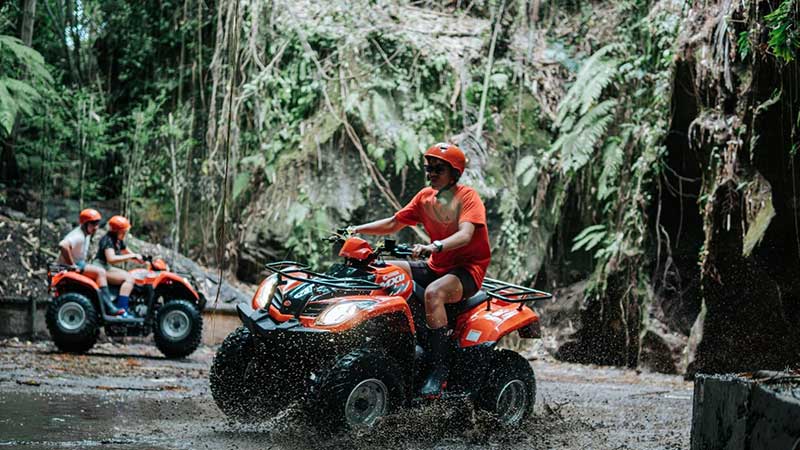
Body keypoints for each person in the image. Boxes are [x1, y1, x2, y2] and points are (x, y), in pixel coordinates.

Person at [348, 142, 491, 398]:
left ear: (455, 173)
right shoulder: (425, 197)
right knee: (382, 270)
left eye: (439, 169)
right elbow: (394, 222)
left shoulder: (467, 197)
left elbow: (466, 234)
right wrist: (356, 229)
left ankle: (438, 371)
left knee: (434, 293)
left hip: (467, 270)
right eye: (429, 168)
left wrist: (434, 246)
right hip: (436, 265)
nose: (432, 174)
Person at [57, 208, 124, 316]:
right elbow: (63, 245)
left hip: (79, 262)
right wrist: (72, 265)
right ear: (85, 224)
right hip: (71, 265)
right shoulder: (78, 236)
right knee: (100, 272)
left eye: (97, 224)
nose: (96, 227)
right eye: (93, 224)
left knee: (98, 270)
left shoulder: (85, 234)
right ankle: (109, 306)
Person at [95, 215, 144, 317]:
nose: (125, 233)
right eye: (124, 231)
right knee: (129, 279)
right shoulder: (108, 240)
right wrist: (131, 256)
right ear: (117, 231)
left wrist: (139, 259)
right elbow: (111, 259)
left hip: (106, 267)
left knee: (131, 275)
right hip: (100, 268)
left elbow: (126, 251)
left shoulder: (117, 240)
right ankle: (122, 310)